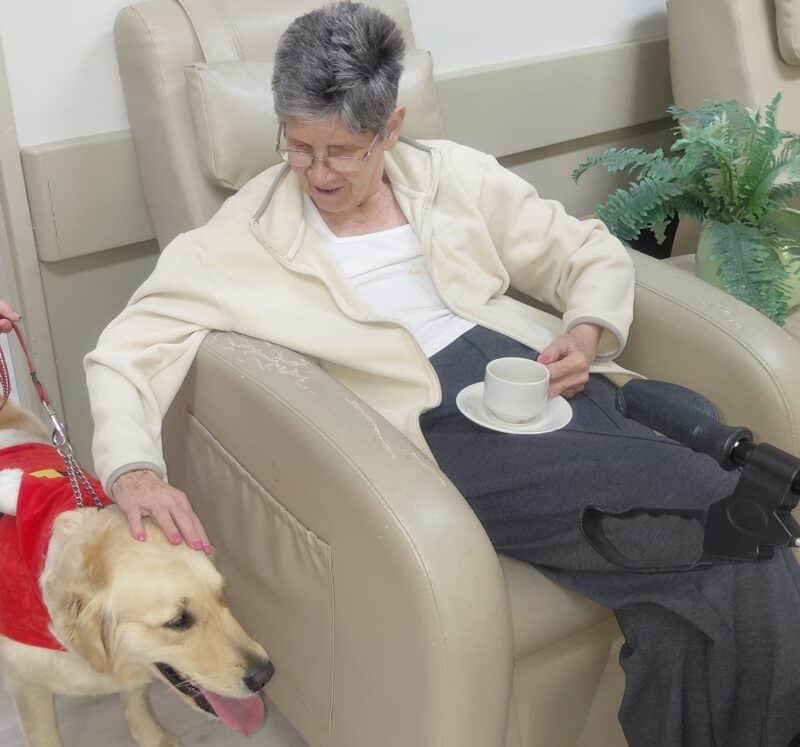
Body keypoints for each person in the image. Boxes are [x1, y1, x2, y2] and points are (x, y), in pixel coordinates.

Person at [82, 4, 800, 745]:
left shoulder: (453, 174)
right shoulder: (239, 237)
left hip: (531, 379)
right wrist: (134, 468)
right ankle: (730, 509)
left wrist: (587, 328)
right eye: (298, 148)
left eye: (343, 152)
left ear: (389, 129)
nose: (317, 172)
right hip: (432, 425)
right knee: (735, 514)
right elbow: (128, 346)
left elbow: (582, 251)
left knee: (725, 550)